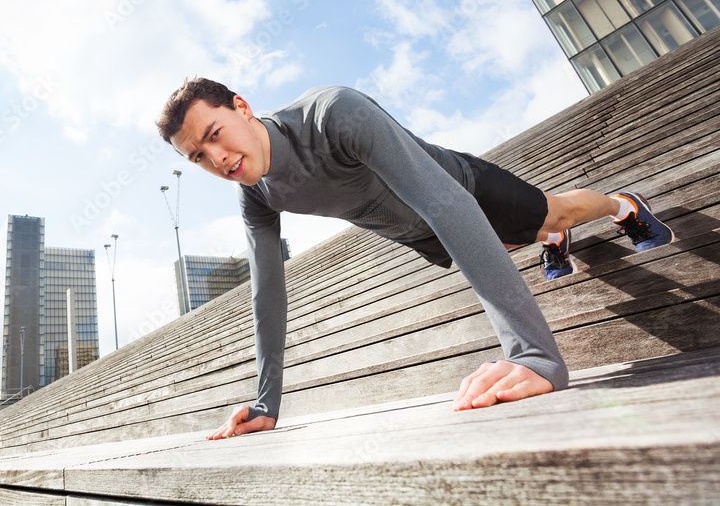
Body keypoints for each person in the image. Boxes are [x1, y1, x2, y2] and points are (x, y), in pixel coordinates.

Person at [156, 78, 675, 441]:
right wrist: (267, 401)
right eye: (197, 156)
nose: (216, 159)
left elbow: (448, 204)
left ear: (241, 108)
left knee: (555, 214)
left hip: (461, 189)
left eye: (214, 135)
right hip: (421, 233)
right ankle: (545, 241)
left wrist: (533, 353)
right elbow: (266, 292)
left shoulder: (333, 114)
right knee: (511, 242)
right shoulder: (256, 197)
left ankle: (621, 205)